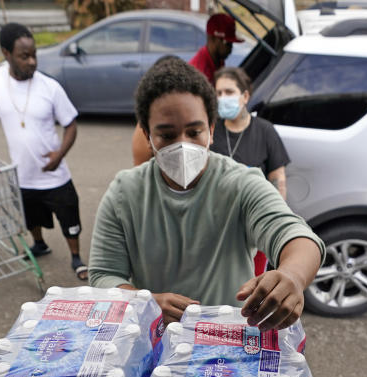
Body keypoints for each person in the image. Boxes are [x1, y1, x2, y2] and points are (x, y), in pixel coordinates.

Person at [89, 58, 324, 331]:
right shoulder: (125, 193)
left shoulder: (241, 184)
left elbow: (296, 235)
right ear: (147, 136)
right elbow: (104, 274)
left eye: (194, 131)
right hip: (154, 337)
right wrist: (146, 304)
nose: (182, 145)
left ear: (211, 130)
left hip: (228, 339)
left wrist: (292, 276)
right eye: (166, 135)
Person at [0, 23, 88, 280]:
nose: (32, 61)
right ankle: (40, 244)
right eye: (25, 56)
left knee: (68, 217)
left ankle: (76, 257)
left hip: (54, 174)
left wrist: (60, 155)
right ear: (6, 53)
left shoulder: (50, 87)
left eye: (34, 54)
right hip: (22, 174)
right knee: (31, 216)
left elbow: (70, 124)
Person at [129, 15, 242, 166]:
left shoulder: (218, 62)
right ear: (214, 39)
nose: (230, 49)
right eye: (228, 44)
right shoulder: (198, 75)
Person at [211, 66, 290, 275]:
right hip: (214, 227)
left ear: (245, 96)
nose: (222, 98)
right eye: (218, 93)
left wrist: (272, 221)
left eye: (228, 92)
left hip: (252, 226)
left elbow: (277, 179)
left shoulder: (264, 131)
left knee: (250, 285)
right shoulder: (211, 130)